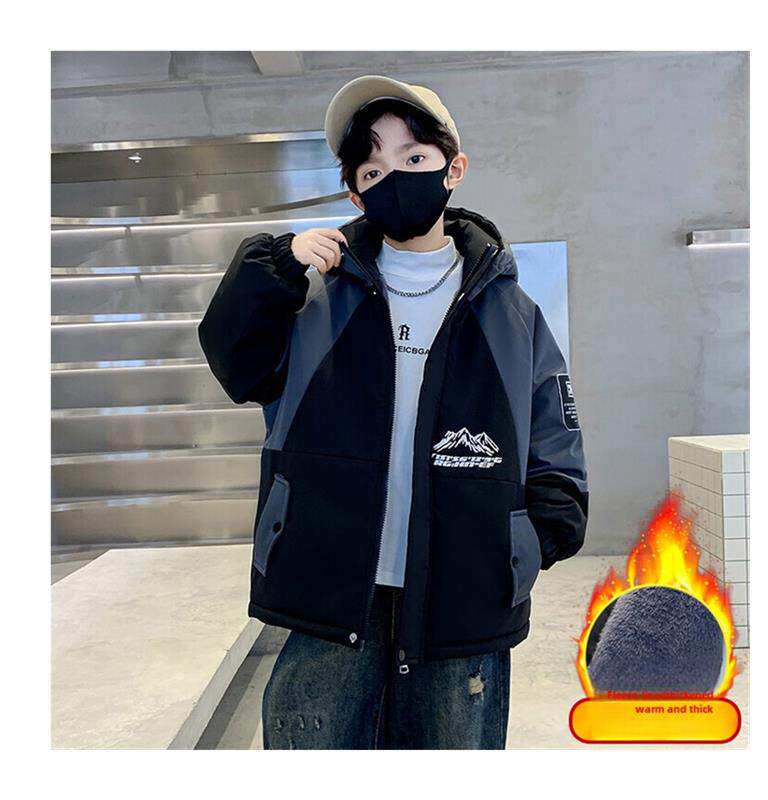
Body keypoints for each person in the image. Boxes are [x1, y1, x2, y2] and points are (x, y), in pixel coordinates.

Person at [198, 74, 589, 749]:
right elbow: (236, 361)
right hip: (328, 587)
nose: (395, 178)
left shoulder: (511, 312)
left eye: (414, 158)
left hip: (462, 596)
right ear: (356, 194)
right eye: (373, 170)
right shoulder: (317, 299)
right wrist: (273, 268)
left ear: (453, 169)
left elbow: (556, 437)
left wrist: (525, 543)